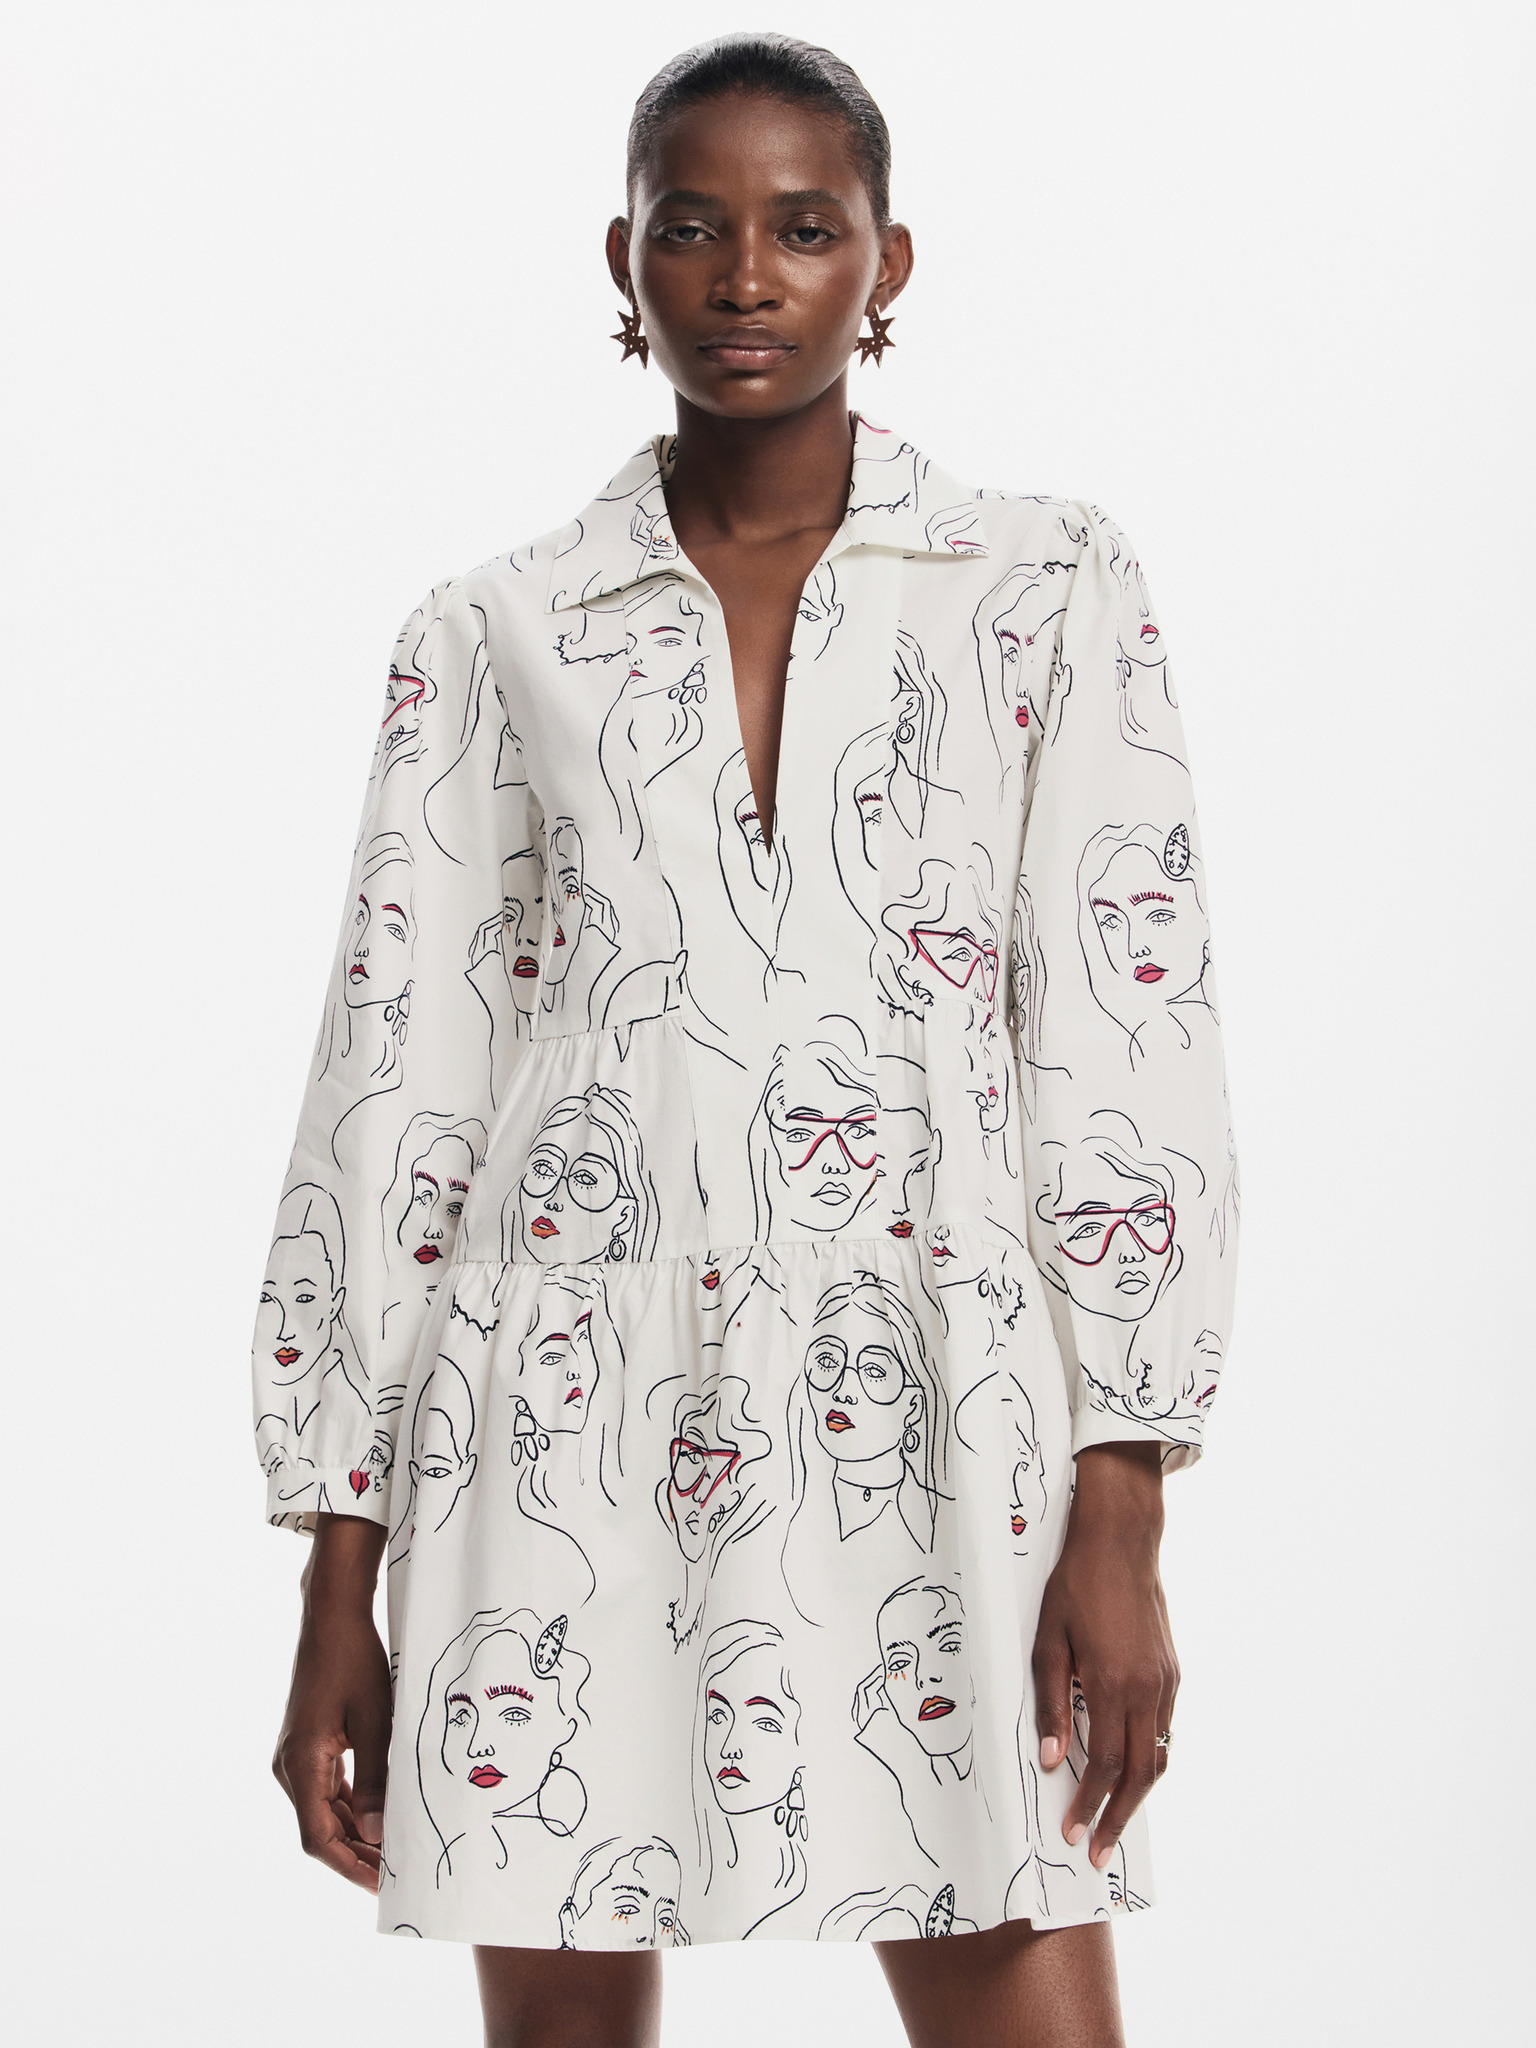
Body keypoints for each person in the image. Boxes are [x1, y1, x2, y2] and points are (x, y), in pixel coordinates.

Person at [255, 30, 1240, 2048]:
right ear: (622, 261)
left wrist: (1124, 1503)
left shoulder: (1042, 584)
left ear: (890, 263)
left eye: (804, 227)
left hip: (944, 1412)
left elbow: (1127, 1047)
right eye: (693, 228)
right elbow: (396, 1094)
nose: (746, 276)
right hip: (561, 1420)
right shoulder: (497, 627)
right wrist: (335, 1577)